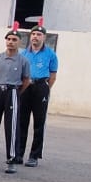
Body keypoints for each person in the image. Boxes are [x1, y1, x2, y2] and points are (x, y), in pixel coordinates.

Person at [0, 24, 31, 174]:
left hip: (13, 92)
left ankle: (11, 160)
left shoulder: (23, 61)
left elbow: (26, 81)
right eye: (9, 39)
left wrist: (15, 92)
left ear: (19, 42)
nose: (11, 42)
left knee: (12, 127)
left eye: (14, 39)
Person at [15, 18, 57, 168]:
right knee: (21, 121)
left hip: (40, 86)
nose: (35, 37)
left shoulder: (50, 54)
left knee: (39, 123)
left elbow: (52, 76)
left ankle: (34, 155)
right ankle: (18, 154)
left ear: (44, 37)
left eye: (39, 35)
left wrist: (45, 89)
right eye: (33, 34)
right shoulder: (23, 53)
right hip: (26, 87)